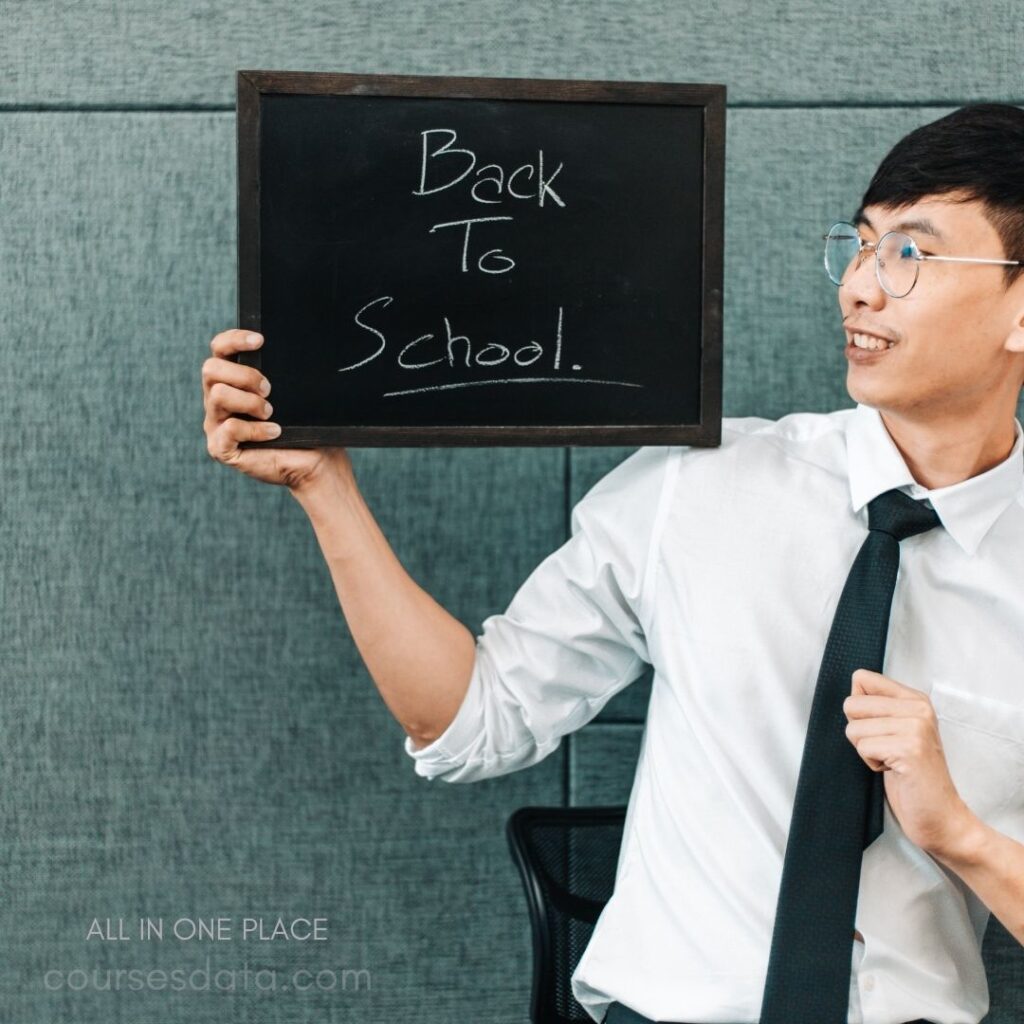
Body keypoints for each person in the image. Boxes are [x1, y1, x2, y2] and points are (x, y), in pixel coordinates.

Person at [201, 103, 1024, 1024]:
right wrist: (326, 489)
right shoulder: (699, 486)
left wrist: (958, 832)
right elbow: (476, 721)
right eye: (860, 245)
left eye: (910, 255)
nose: (860, 289)